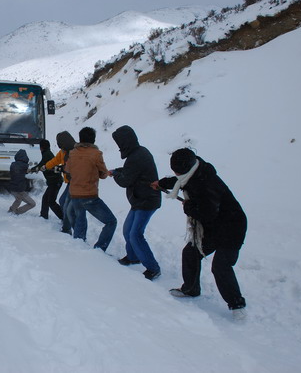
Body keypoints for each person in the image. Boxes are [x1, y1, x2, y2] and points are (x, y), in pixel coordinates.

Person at [152, 148, 247, 318]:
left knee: (220, 266)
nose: (175, 172)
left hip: (232, 227)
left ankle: (237, 304)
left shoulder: (206, 183)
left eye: (177, 170)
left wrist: (188, 206)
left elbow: (207, 213)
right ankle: (191, 289)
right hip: (214, 227)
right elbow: (180, 181)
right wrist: (162, 183)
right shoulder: (195, 171)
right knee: (190, 252)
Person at [110, 125, 162, 281]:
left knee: (135, 234)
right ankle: (133, 257)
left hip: (147, 200)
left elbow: (125, 180)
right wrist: (116, 171)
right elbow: (129, 170)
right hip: (139, 199)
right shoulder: (137, 153)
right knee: (127, 230)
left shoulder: (137, 156)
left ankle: (153, 268)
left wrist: (115, 175)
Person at [65, 127, 117, 251]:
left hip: (75, 194)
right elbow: (103, 174)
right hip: (89, 195)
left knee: (80, 222)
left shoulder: (73, 153)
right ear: (93, 139)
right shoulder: (96, 154)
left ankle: (79, 248)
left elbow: (67, 170)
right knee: (111, 222)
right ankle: (99, 249)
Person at [44, 131, 77, 234]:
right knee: (64, 202)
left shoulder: (76, 152)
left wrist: (62, 168)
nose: (60, 147)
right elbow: (55, 160)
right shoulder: (62, 152)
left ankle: (69, 228)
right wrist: (46, 167)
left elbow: (74, 167)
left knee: (65, 203)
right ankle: (68, 223)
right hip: (70, 182)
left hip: (76, 181)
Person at [31, 139, 64, 220]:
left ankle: (64, 218)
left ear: (41, 147)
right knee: (45, 199)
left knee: (51, 202)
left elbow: (41, 165)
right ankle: (43, 216)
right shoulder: (47, 153)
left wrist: (31, 170)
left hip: (55, 181)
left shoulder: (47, 154)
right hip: (54, 181)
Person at [8, 149, 36, 215]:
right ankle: (17, 212)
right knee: (32, 203)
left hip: (13, 188)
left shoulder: (13, 164)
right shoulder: (24, 166)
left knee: (18, 200)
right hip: (19, 189)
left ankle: (11, 211)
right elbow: (29, 171)